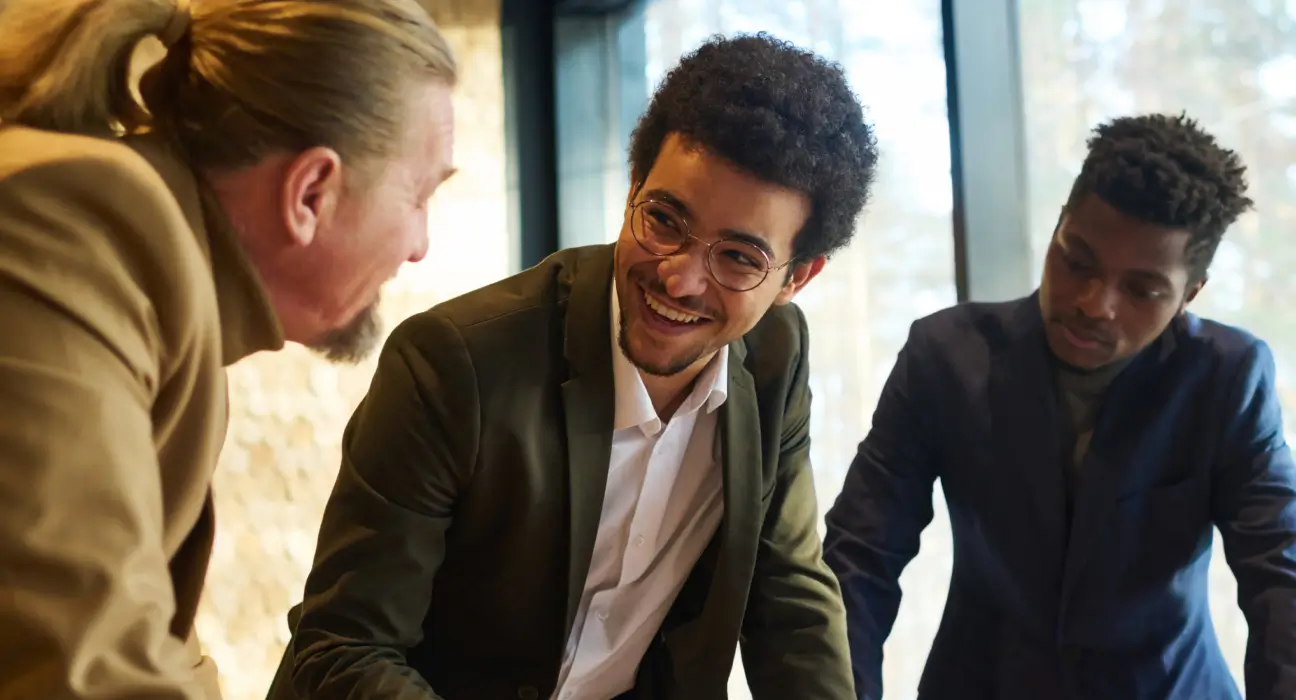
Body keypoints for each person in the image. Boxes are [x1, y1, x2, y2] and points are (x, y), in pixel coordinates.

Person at [266, 32, 877, 700]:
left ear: (797, 278)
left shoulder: (776, 358)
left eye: (738, 258)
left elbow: (787, 595)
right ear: (632, 190)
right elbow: (344, 650)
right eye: (664, 219)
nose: (679, 279)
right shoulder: (454, 363)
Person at [0, 0, 457, 698]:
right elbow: (82, 665)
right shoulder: (73, 225)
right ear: (310, 193)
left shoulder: (167, 291)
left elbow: (157, 640)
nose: (420, 246)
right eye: (420, 196)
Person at [824, 112, 1296, 700]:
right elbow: (859, 559)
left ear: (1188, 295)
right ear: (1057, 229)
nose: (1094, 304)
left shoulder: (1227, 378)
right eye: (1077, 261)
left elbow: (1281, 574)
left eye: (1141, 290)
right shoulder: (944, 357)